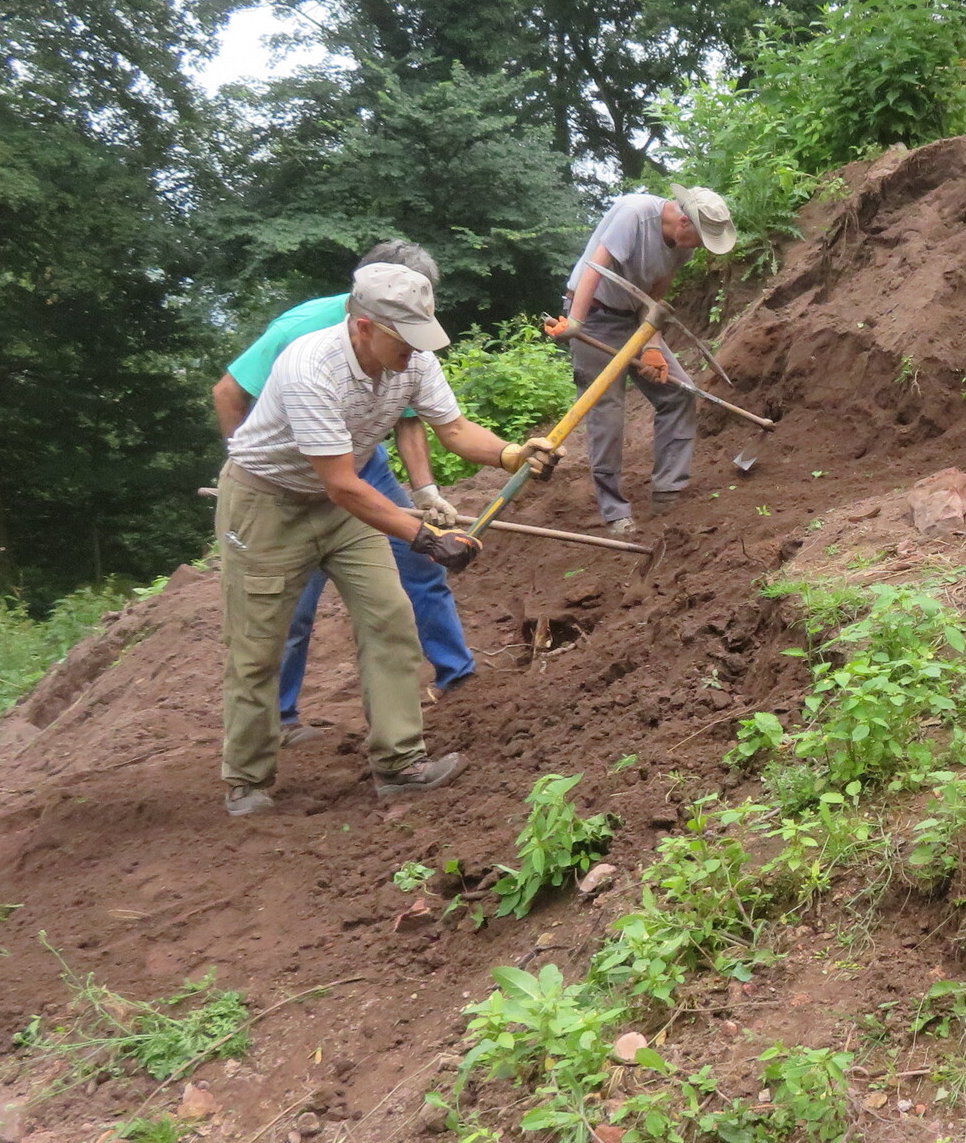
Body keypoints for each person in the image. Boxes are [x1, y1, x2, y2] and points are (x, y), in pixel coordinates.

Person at [215, 262, 553, 817]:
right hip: (267, 505)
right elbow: (343, 484)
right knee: (259, 644)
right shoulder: (309, 367)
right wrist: (428, 538)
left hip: (340, 503)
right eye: (405, 338)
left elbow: (454, 429)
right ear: (365, 326)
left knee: (390, 618)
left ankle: (399, 763)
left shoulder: (412, 359)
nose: (416, 351)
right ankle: (247, 779)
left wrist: (512, 454)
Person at [212, 241, 474, 745]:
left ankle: (436, 704)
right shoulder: (304, 343)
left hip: (356, 465)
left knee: (397, 601)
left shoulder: (408, 349)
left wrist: (431, 489)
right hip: (282, 488)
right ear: (367, 320)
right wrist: (247, 469)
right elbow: (229, 394)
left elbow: (425, 421)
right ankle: (273, 733)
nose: (416, 346)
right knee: (281, 618)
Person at [544, 185, 736, 533]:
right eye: (700, 239)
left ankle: (669, 491)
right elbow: (594, 267)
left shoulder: (681, 246)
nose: (699, 248)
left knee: (679, 393)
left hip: (636, 320)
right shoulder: (634, 212)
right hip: (595, 317)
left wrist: (651, 346)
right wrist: (575, 322)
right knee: (607, 413)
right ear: (684, 222)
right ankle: (614, 511)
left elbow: (655, 298)